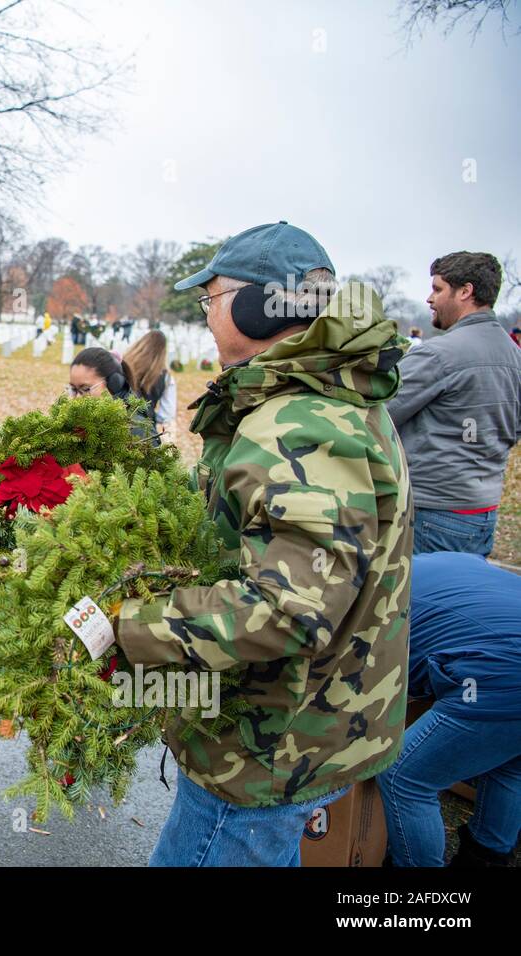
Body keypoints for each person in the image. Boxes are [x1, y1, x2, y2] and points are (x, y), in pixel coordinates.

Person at [109, 221, 411, 866]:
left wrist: (126, 627)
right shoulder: (328, 395)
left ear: (255, 306)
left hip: (264, 745)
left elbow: (288, 610)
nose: (206, 314)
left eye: (211, 299)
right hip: (294, 722)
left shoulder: (297, 422)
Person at [378, 552, 521, 867]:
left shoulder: (376, 595)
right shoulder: (451, 559)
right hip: (505, 654)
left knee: (403, 777)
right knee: (509, 764)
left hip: (503, 669)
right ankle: (485, 858)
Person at [387, 252, 521, 557]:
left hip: (431, 515)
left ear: (465, 292)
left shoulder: (438, 354)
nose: (429, 299)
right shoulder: (515, 357)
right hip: (483, 514)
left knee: (416, 601)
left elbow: (380, 414)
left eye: (437, 289)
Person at [122, 330, 178, 434]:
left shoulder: (123, 363)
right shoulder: (166, 377)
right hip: (145, 431)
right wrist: (149, 413)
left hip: (117, 421)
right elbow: (167, 414)